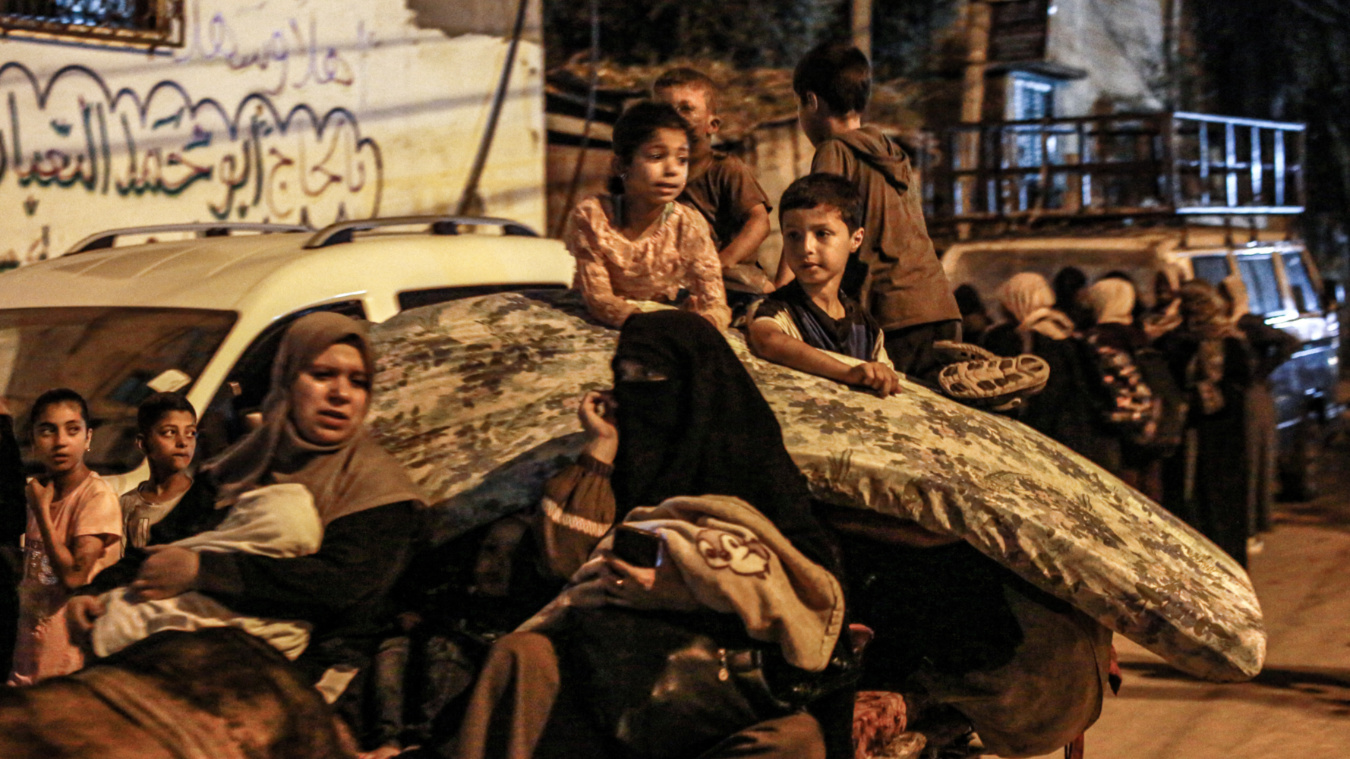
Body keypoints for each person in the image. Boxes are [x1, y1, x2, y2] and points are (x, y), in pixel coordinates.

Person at [455, 310, 851, 759]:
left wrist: (689, 592)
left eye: (652, 373)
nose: (637, 389)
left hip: (710, 698)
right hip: (607, 679)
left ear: (696, 382)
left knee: (795, 741)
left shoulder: (753, 466)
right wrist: (600, 451)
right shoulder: (622, 465)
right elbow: (562, 567)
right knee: (523, 656)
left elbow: (810, 605)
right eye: (625, 374)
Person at [68, 312, 426, 727]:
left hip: (307, 667)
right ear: (288, 380)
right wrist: (98, 590)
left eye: (358, 381)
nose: (341, 394)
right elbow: (171, 540)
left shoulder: (376, 486)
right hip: (191, 636)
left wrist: (207, 571)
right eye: (323, 375)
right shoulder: (240, 462)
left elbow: (341, 585)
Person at [785, 42, 960, 381]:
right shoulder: (891, 151)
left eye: (799, 105)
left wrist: (779, 290)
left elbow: (813, 222)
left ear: (811, 101)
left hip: (896, 313)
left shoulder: (834, 150)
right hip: (938, 306)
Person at [564, 100, 732, 331]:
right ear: (622, 166)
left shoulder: (689, 224)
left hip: (662, 323)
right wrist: (645, 324)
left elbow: (715, 303)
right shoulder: (593, 216)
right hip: (599, 324)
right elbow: (599, 299)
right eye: (656, 156)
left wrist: (702, 325)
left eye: (682, 159)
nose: (672, 169)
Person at [747, 174, 900, 397]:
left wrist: (882, 376)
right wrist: (849, 373)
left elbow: (885, 378)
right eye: (793, 235)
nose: (806, 247)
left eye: (822, 234)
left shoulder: (866, 328)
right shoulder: (773, 310)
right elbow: (768, 340)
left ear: (855, 240)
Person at [8, 388, 122, 684]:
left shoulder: (95, 497)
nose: (60, 442)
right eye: (48, 431)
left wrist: (43, 514)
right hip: (29, 649)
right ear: (33, 440)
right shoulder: (38, 491)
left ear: (88, 438)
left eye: (72, 430)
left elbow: (75, 577)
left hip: (69, 659)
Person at [653, 67, 774, 305]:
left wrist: (723, 261)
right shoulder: (652, 171)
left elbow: (759, 222)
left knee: (757, 292)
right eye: (664, 111)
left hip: (724, 275)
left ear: (712, 125)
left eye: (685, 109)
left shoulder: (725, 169)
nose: (674, 117)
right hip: (675, 274)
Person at [1158, 281, 1253, 567]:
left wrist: (1209, 394)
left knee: (1222, 504)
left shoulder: (1230, 340)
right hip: (1187, 435)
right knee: (1188, 500)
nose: (1193, 310)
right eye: (1188, 304)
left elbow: (1239, 384)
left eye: (1198, 303)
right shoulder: (1175, 340)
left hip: (1222, 436)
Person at [982, 273, 1107, 463]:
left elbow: (1046, 393)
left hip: (1048, 436)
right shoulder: (1066, 330)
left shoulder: (1032, 338)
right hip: (1079, 434)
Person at [1218, 275, 1298, 539]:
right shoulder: (1228, 325)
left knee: (1253, 461)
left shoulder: (1248, 323)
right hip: (1243, 398)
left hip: (1253, 398)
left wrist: (1260, 372)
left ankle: (1252, 526)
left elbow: (1289, 342)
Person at [118, 392, 198, 553]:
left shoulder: (201, 498)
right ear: (143, 443)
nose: (183, 442)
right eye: (169, 432)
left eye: (190, 433)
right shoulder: (127, 505)